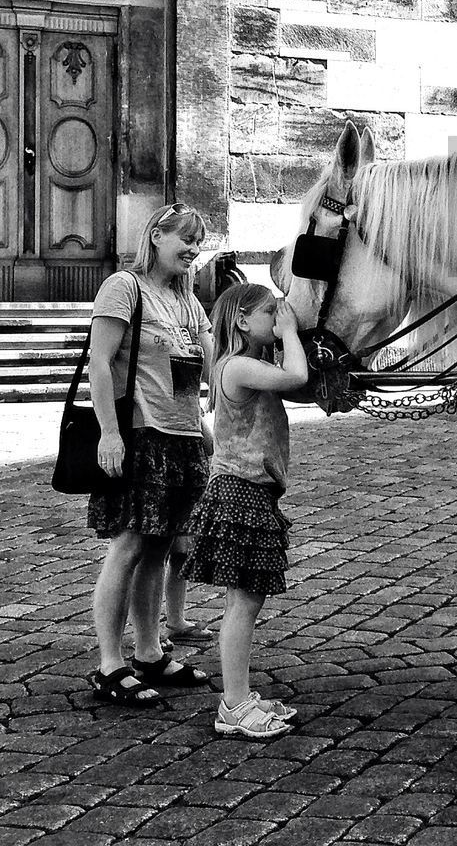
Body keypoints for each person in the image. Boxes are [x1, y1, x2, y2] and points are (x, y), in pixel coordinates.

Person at [89, 202, 214, 708]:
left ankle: (148, 652)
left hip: (184, 439)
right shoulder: (125, 287)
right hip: (141, 434)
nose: (193, 250)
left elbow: (205, 370)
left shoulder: (188, 302)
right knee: (128, 546)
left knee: (160, 550)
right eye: (186, 239)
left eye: (199, 243)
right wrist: (109, 433)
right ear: (157, 235)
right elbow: (100, 362)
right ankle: (109, 663)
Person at [182, 284, 308, 740]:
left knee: (246, 600)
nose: (278, 318)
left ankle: (240, 696)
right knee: (244, 603)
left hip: (251, 491)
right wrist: (291, 331)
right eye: (270, 313)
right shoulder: (236, 367)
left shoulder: (248, 365)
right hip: (240, 492)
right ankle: (233, 705)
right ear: (241, 321)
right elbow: (297, 377)